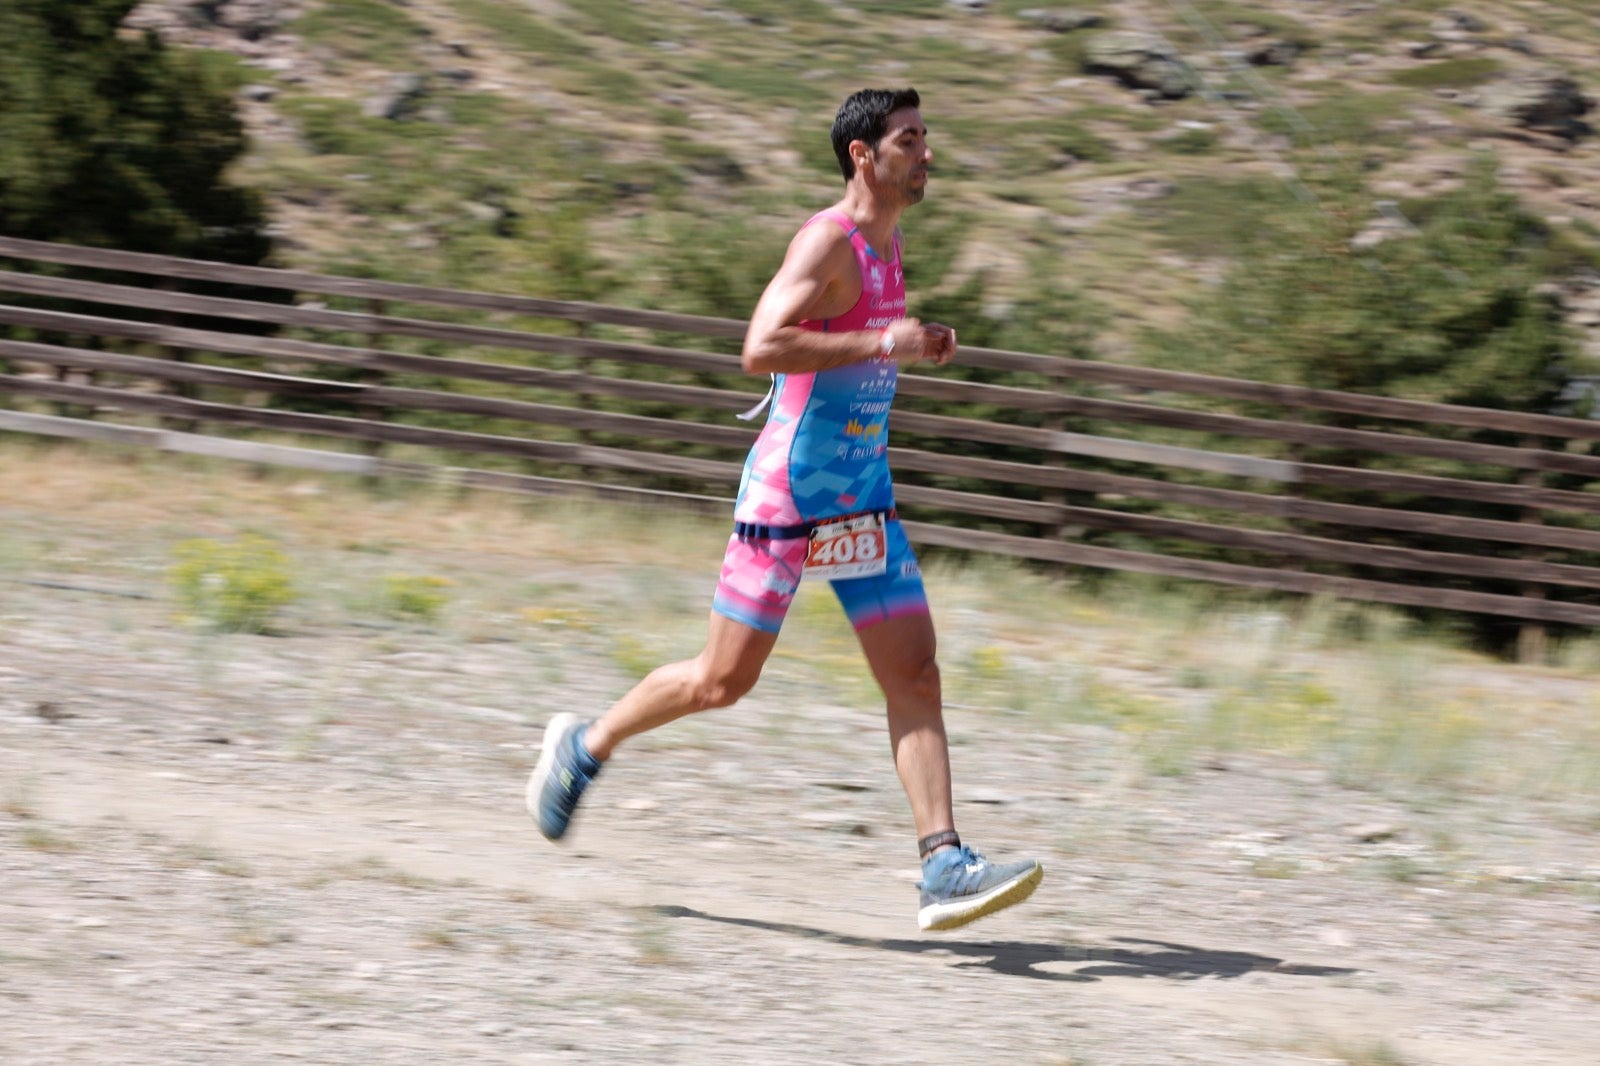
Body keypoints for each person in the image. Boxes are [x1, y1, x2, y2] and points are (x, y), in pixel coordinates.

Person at [527, 87, 1042, 932]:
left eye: (927, 139)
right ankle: (584, 747)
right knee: (721, 681)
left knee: (913, 670)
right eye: (910, 140)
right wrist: (885, 341)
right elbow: (760, 345)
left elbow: (861, 347)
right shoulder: (827, 240)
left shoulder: (888, 242)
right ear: (863, 156)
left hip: (860, 498)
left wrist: (915, 339)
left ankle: (944, 863)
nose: (927, 153)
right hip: (790, 498)